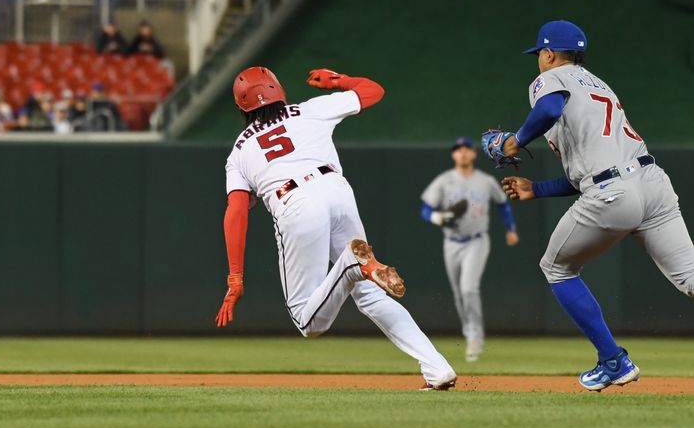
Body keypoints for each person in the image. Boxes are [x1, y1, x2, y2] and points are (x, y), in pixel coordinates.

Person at [216, 66, 457, 390]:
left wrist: (235, 278)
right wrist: (337, 81)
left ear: (241, 107)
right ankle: (437, 369)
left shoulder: (239, 152)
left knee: (308, 321)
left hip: (295, 202)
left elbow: (236, 213)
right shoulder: (310, 109)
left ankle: (352, 264)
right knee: (371, 296)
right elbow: (374, 91)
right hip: (337, 190)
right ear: (279, 90)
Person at [486, 20, 694, 391]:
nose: (539, 61)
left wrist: (515, 142)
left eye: (540, 55)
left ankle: (613, 361)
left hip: (614, 192)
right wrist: (537, 189)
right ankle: (612, 361)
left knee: (557, 268)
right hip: (652, 183)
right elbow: (585, 173)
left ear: (548, 54)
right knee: (691, 278)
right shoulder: (598, 85)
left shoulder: (550, 79)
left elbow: (548, 110)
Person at [420, 136, 519, 362]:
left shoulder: (485, 181)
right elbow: (425, 210)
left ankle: (475, 336)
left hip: (477, 240)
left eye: (467, 149)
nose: (463, 152)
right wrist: (439, 217)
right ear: (454, 154)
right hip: (451, 242)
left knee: (468, 289)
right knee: (458, 293)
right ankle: (468, 331)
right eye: (458, 149)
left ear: (474, 154)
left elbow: (503, 204)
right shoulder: (444, 181)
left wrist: (510, 229)